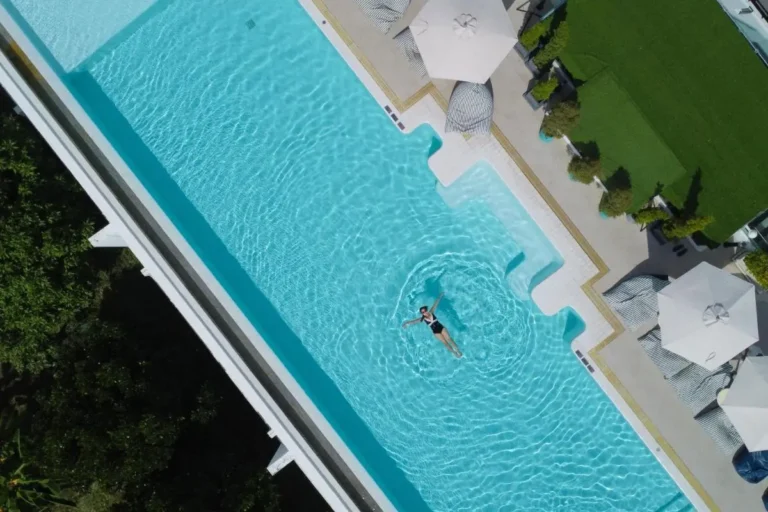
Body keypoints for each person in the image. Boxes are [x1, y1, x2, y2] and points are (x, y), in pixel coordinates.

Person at [402, 292, 462, 357]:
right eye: (422, 312)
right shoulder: (422, 319)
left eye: (425, 310)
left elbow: (435, 304)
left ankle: (458, 350)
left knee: (449, 339)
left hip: (441, 327)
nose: (424, 312)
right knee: (445, 343)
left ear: (426, 309)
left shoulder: (431, 312)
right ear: (422, 313)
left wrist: (440, 296)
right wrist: (406, 323)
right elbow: (414, 321)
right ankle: (454, 353)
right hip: (436, 332)